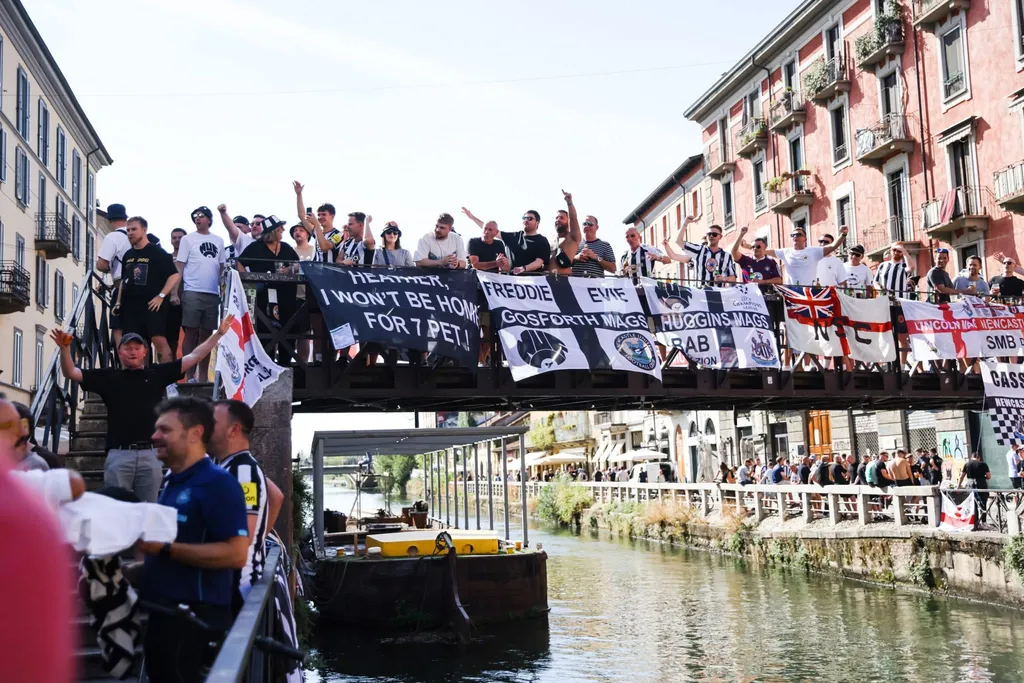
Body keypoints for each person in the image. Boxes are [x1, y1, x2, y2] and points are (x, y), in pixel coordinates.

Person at [52, 317, 234, 502]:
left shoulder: (156, 374)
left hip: (151, 454)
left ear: (144, 352)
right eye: (128, 348)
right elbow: (71, 372)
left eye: (137, 348)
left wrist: (218, 334)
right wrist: (64, 349)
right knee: (116, 509)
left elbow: (194, 356)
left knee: (150, 510)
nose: (133, 352)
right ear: (119, 352)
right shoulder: (107, 377)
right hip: (119, 454)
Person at [136, 397, 250, 683]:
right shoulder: (172, 480)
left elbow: (236, 555)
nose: (154, 436)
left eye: (165, 430)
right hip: (165, 616)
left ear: (196, 433)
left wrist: (164, 548)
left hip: (195, 622)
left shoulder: (218, 483)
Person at [210, 400, 284, 607]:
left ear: (233, 430)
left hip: (236, 587)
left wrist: (255, 539)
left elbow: (244, 535)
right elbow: (276, 495)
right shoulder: (224, 464)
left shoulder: (244, 472)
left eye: (212, 422)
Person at [114, 217, 180, 363]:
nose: (130, 233)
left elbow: (174, 275)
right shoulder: (128, 255)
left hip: (153, 304)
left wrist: (161, 295)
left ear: (144, 230)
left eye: (134, 229)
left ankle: (168, 381)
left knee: (159, 340)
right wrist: (118, 302)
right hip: (131, 306)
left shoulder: (158, 253)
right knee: (137, 344)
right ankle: (142, 379)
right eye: (128, 230)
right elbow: (123, 281)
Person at [177, 206, 227, 382]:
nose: (198, 219)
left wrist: (221, 289)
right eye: (195, 216)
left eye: (201, 216)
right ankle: (189, 375)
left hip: (212, 292)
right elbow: (180, 266)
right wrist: (177, 291)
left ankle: (204, 376)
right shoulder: (187, 239)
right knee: (190, 332)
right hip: (192, 289)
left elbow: (222, 266)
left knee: (207, 334)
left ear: (209, 219)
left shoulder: (219, 240)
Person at [238, 216, 300, 347]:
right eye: (279, 229)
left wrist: (289, 269)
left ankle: (285, 363)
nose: (283, 230)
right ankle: (266, 363)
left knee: (288, 330)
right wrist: (248, 278)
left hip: (286, 296)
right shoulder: (256, 247)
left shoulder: (286, 247)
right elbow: (239, 262)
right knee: (265, 331)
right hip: (263, 297)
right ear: (272, 232)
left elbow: (298, 265)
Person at [464, 206, 550, 274]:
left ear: (537, 223)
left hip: (532, 283)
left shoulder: (542, 240)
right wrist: (472, 217)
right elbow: (490, 229)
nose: (526, 220)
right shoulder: (514, 236)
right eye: (524, 218)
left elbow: (539, 262)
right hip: (511, 282)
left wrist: (523, 269)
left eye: (530, 218)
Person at [96, 203, 132, 346]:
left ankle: (123, 364)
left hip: (121, 287)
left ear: (110, 220)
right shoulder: (137, 235)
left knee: (118, 327)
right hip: (142, 286)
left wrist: (109, 269)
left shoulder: (113, 237)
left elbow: (101, 265)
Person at [764, 226, 848, 285]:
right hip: (791, 292)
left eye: (798, 234)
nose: (795, 236)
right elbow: (761, 251)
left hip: (809, 292)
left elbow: (833, 246)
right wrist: (752, 246)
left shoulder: (814, 251)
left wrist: (843, 234)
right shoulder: (785, 252)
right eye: (793, 235)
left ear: (805, 238)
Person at [665, 217, 736, 285]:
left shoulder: (727, 256)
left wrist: (724, 279)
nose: (711, 236)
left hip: (719, 293)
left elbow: (733, 277)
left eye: (714, 234)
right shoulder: (699, 250)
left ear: (720, 237)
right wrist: (685, 223)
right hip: (701, 292)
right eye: (709, 234)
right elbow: (679, 242)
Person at [549, 190, 582, 275]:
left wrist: (569, 202)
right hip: (546, 281)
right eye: (556, 218)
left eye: (561, 218)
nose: (558, 220)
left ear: (568, 221)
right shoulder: (551, 239)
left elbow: (573, 219)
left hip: (563, 281)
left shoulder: (572, 237)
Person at [167, 227, 188, 358]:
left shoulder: (192, 258)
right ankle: (169, 366)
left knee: (192, 335)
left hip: (188, 299)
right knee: (170, 337)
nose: (177, 240)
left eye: (180, 238)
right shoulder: (166, 258)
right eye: (174, 237)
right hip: (171, 302)